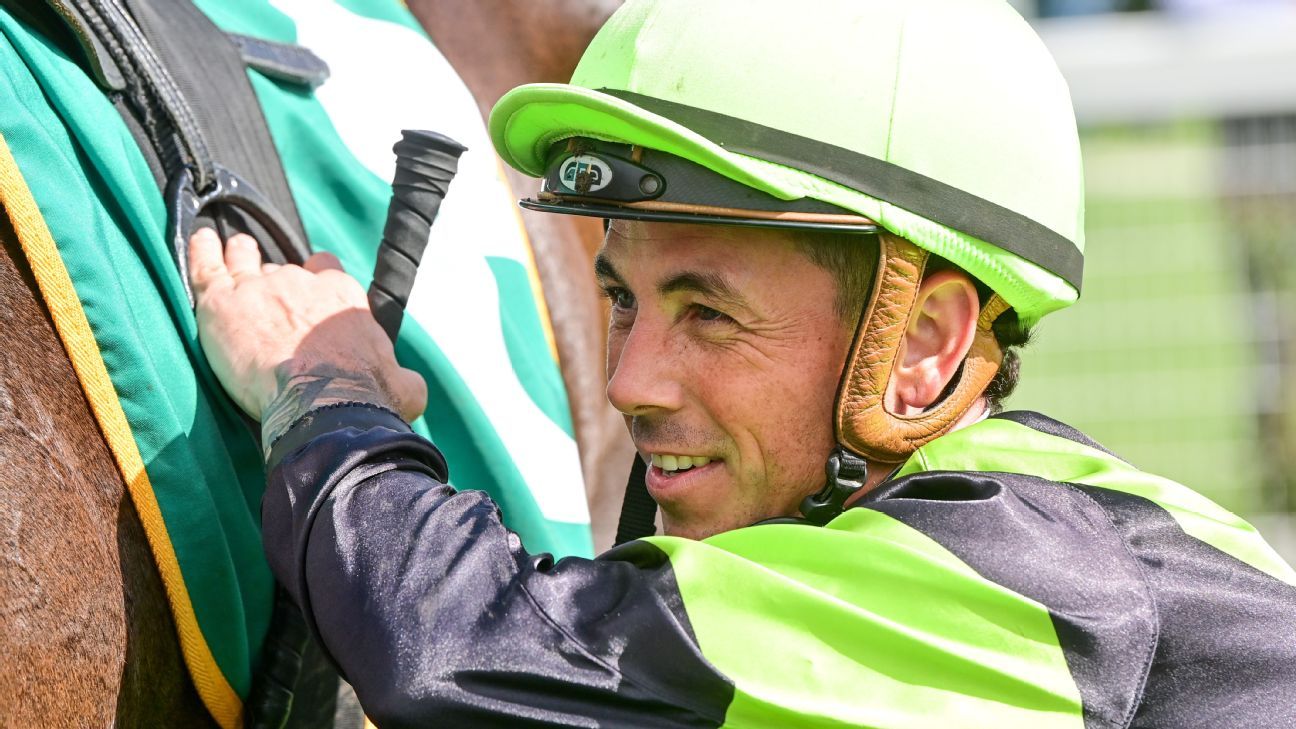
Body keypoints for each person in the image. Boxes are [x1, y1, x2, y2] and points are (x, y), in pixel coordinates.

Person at [190, 0, 1296, 726]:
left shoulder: (1026, 580)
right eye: (623, 299)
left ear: (924, 343)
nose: (630, 383)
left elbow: (456, 650)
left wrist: (327, 391)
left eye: (710, 313)